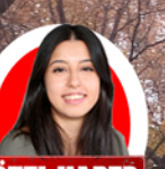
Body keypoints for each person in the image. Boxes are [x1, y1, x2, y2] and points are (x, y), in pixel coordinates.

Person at [0, 24, 127, 157]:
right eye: (60, 69)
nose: (74, 82)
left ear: (101, 78)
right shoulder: (17, 149)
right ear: (42, 79)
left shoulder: (115, 143)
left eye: (86, 68)